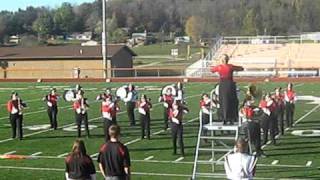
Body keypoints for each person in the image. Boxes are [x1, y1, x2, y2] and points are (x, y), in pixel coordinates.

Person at [210, 54, 244, 125]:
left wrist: (217, 64)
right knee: (232, 101)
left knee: (223, 101)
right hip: (230, 85)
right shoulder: (230, 66)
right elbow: (241, 68)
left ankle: (224, 118)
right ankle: (232, 118)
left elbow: (212, 70)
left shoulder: (219, 67)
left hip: (222, 85)